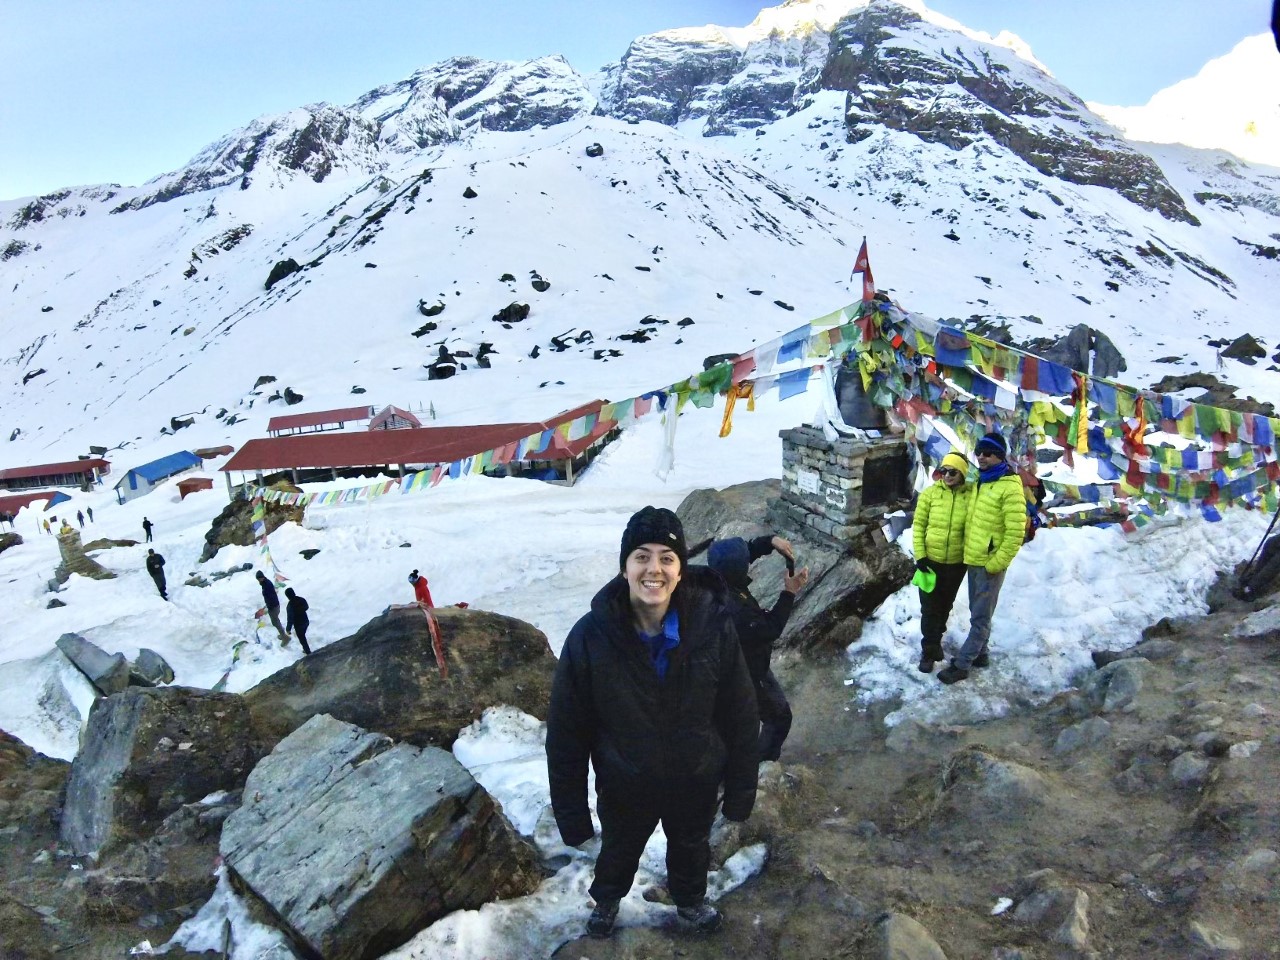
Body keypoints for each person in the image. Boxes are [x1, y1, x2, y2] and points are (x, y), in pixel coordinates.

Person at [546, 506, 758, 940]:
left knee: (690, 846)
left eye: (667, 557)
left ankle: (690, 901)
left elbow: (740, 711)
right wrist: (572, 816)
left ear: (680, 571)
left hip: (695, 775)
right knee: (619, 848)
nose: (653, 569)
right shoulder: (591, 637)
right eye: (641, 556)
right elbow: (567, 734)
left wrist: (739, 792)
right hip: (626, 780)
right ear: (625, 567)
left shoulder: (712, 627)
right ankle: (606, 899)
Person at [705, 534, 809, 763]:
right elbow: (770, 628)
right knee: (779, 718)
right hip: (748, 672)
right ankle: (758, 765)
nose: (749, 559)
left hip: (732, 663)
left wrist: (771, 541)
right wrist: (789, 592)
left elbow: (747, 551)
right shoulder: (736, 610)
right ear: (738, 570)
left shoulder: (715, 578)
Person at [939, 433, 1026, 684]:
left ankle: (963, 663)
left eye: (988, 453)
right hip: (974, 558)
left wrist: (997, 563)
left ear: (1000, 456)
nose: (981, 457)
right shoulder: (982, 482)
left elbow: (1015, 532)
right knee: (979, 611)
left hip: (989, 563)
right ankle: (982, 654)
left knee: (980, 617)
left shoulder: (1009, 487)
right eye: (979, 452)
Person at [912, 452, 973, 673]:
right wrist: (920, 557)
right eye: (943, 471)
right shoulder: (929, 495)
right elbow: (918, 526)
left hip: (956, 563)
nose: (946, 475)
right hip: (930, 562)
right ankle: (928, 651)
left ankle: (936, 641)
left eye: (952, 471)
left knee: (945, 606)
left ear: (962, 474)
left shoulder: (971, 496)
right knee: (929, 608)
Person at [256, 570, 290, 644]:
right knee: (275, 622)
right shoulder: (265, 583)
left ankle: (285, 638)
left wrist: (270, 607)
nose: (258, 580)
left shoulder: (267, 585)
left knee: (275, 622)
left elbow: (271, 597)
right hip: (273, 605)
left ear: (262, 577)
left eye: (259, 578)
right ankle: (282, 634)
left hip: (273, 606)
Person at [284, 587, 312, 655]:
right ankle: (306, 649)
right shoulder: (300, 599)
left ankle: (308, 652)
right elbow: (306, 607)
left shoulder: (290, 606)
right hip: (306, 621)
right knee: (303, 634)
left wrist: (288, 629)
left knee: (302, 638)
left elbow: (290, 619)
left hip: (298, 625)